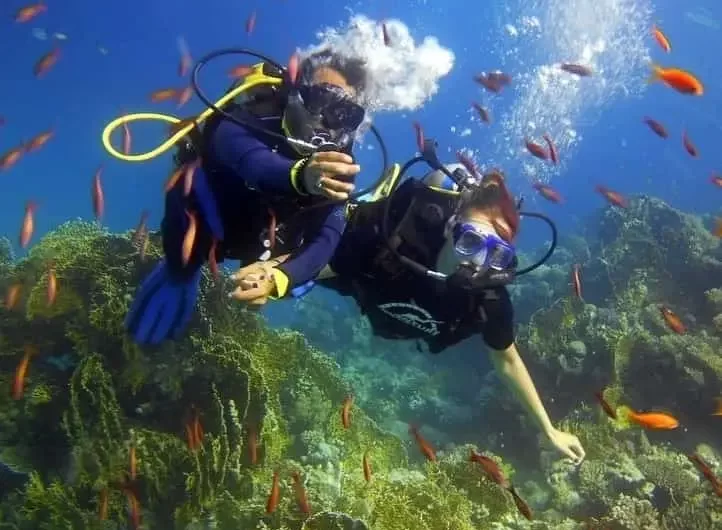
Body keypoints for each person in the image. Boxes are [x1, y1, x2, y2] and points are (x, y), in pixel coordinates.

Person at [232, 160, 586, 464]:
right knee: (309, 243)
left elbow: (507, 360)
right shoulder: (396, 242)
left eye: (495, 255)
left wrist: (548, 429)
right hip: (362, 279)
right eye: (470, 241)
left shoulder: (488, 300)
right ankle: (373, 199)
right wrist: (274, 278)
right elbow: (324, 262)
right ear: (450, 229)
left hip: (386, 308)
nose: (475, 262)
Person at [125, 49, 369, 345]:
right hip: (209, 220)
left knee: (307, 267)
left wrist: (279, 278)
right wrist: (301, 175)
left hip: (264, 238)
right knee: (187, 201)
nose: (327, 121)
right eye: (322, 98)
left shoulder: (341, 163)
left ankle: (265, 272)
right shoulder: (253, 115)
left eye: (345, 113)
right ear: (296, 93)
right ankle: (180, 272)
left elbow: (327, 237)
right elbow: (248, 158)